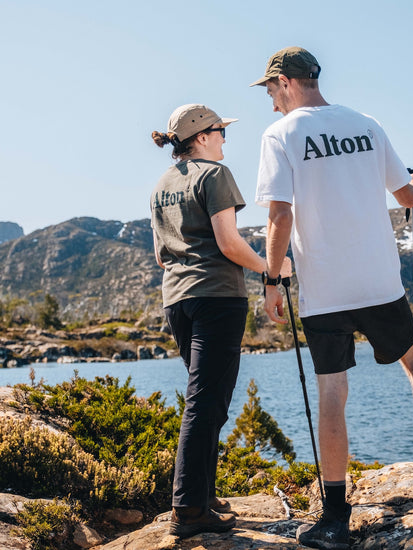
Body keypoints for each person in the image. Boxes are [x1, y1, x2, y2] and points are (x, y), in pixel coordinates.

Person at [251, 47, 413, 550]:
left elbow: (279, 216)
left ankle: (335, 520)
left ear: (288, 81)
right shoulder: (367, 124)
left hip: (324, 291)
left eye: (271, 90)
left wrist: (272, 281)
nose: (271, 102)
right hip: (379, 282)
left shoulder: (281, 135)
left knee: (333, 394)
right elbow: (405, 197)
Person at [150, 103, 290, 539]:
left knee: (205, 398)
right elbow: (229, 244)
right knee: (207, 401)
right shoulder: (215, 175)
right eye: (220, 132)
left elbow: (160, 255)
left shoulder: (161, 186)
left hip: (178, 301)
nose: (225, 138)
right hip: (216, 297)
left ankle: (203, 495)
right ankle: (189, 509)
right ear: (202, 136)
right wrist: (272, 269)